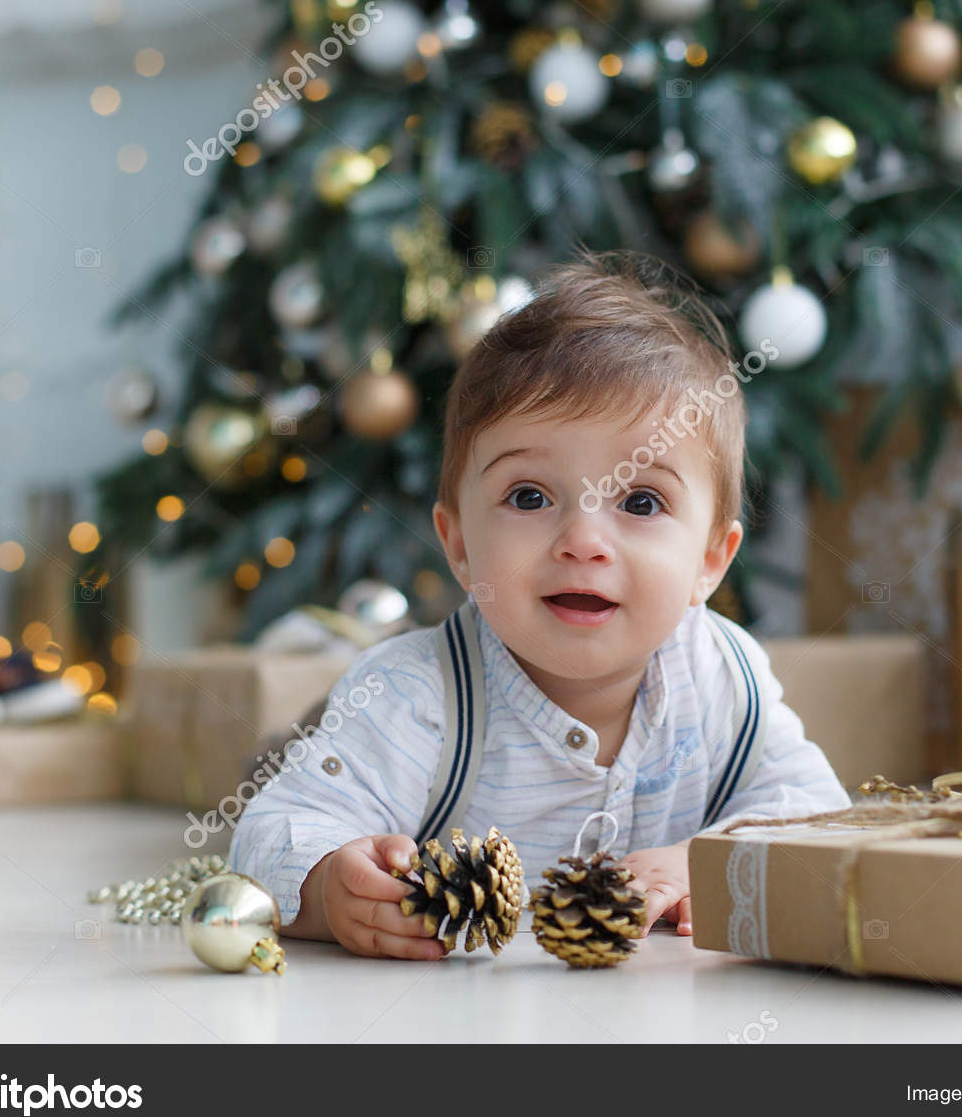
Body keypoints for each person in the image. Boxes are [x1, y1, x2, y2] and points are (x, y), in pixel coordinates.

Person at [230, 250, 848, 959]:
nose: (583, 542)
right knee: (288, 763)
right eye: (529, 496)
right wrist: (328, 886)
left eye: (641, 502)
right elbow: (271, 830)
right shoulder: (416, 696)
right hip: (468, 1011)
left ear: (710, 559)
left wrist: (704, 860)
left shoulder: (724, 679)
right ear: (459, 544)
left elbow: (821, 820)